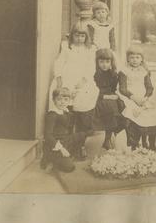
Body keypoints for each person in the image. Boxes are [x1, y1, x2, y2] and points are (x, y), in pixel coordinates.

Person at [49, 22, 99, 156]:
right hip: (66, 79)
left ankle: (80, 144)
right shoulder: (66, 47)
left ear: (86, 37)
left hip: (82, 81)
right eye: (77, 35)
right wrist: (59, 78)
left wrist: (83, 81)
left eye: (82, 36)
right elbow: (59, 62)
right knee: (66, 114)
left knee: (82, 113)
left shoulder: (90, 49)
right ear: (72, 35)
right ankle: (67, 143)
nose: (79, 38)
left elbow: (90, 68)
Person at [118, 46, 156, 150]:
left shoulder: (144, 71)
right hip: (129, 96)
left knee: (149, 112)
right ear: (128, 59)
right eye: (132, 57)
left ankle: (145, 139)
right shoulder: (124, 71)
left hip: (143, 97)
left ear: (141, 59)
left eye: (137, 57)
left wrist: (145, 97)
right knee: (132, 112)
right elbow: (122, 89)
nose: (135, 60)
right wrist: (134, 98)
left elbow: (149, 87)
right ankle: (133, 141)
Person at [41, 87, 87, 172]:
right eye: (59, 99)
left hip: (65, 140)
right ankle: (50, 159)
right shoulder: (52, 114)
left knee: (82, 135)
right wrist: (62, 149)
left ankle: (66, 157)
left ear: (69, 101)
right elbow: (48, 136)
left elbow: (68, 129)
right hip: (54, 144)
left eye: (65, 100)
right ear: (54, 100)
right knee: (70, 168)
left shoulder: (66, 112)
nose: (62, 102)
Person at [93, 48, 127, 150]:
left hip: (110, 96)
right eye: (101, 62)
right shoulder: (95, 75)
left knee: (121, 106)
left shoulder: (113, 74)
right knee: (110, 108)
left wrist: (115, 95)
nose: (104, 65)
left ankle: (111, 136)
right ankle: (107, 139)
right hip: (98, 96)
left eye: (107, 62)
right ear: (97, 62)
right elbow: (93, 90)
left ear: (111, 62)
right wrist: (106, 96)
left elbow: (114, 88)